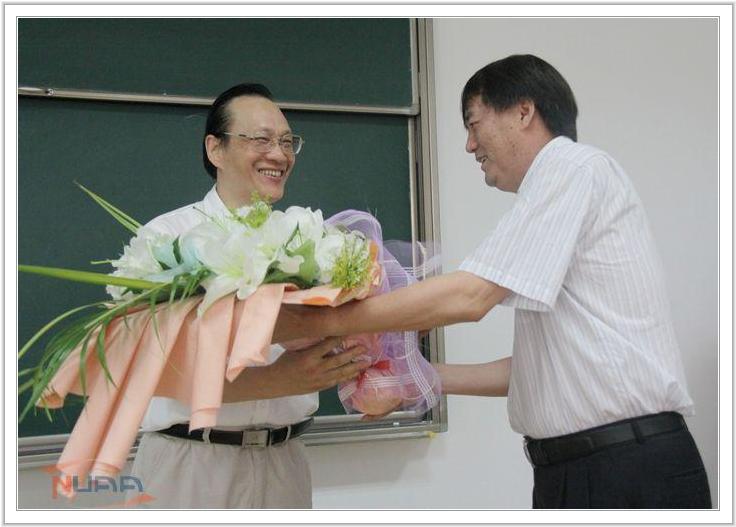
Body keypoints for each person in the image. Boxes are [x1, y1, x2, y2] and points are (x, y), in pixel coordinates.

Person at [272, 55, 712, 508]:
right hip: (580, 469)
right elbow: (538, 371)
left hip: (625, 469)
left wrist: (322, 321)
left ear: (523, 111)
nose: (469, 145)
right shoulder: (561, 190)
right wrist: (412, 379)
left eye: (473, 123)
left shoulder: (572, 167)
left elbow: (471, 296)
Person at [127, 83, 369, 509]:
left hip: (285, 462)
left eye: (287, 142)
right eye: (261, 139)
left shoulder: (310, 240)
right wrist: (277, 378)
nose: (279, 154)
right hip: (189, 463)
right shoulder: (166, 240)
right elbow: (150, 368)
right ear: (215, 149)